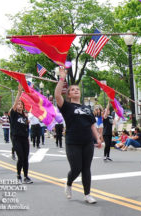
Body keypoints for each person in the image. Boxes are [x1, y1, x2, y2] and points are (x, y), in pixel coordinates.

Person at [55, 67, 101, 204]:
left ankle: (87, 194)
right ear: (69, 94)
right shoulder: (67, 106)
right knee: (76, 168)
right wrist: (62, 78)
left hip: (87, 141)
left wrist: (98, 138)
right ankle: (69, 183)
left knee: (86, 168)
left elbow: (92, 125)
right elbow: (57, 95)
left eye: (77, 89)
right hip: (72, 141)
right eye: (73, 90)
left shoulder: (87, 108)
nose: (76, 91)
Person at [9, 84, 33, 184]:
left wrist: (28, 138)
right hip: (16, 138)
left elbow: (26, 129)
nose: (19, 105)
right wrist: (19, 93)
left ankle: (26, 176)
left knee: (26, 159)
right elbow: (13, 107)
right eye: (18, 104)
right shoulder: (13, 114)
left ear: (23, 107)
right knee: (21, 158)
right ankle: (18, 174)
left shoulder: (25, 117)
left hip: (24, 139)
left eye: (21, 104)